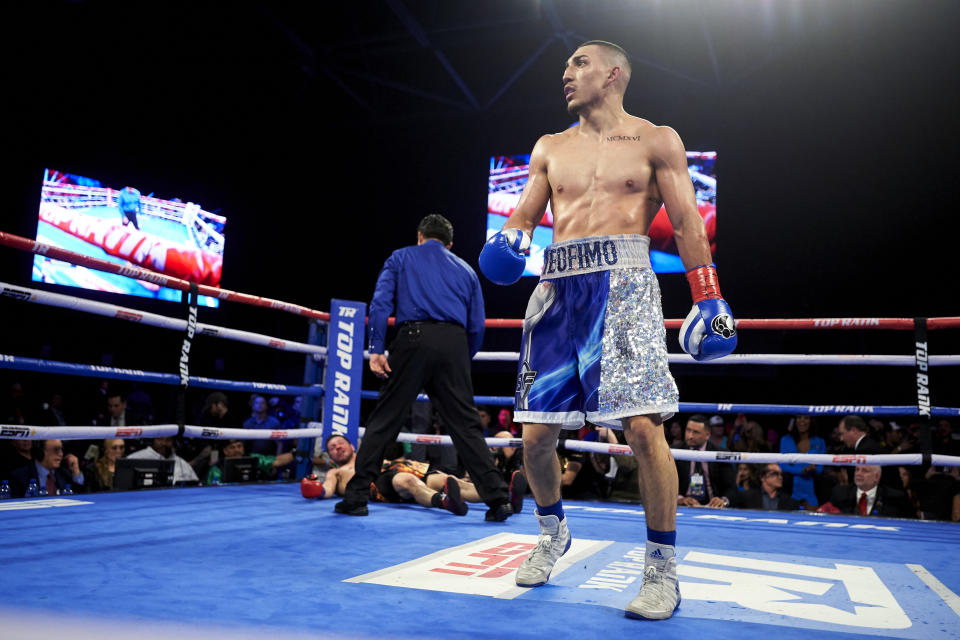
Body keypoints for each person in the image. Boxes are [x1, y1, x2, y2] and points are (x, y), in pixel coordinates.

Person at [477, 40, 737, 620]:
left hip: (624, 284)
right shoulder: (549, 147)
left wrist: (708, 296)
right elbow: (523, 216)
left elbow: (690, 223)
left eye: (578, 63)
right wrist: (511, 239)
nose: (565, 74)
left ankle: (661, 571)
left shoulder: (656, 139)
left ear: (614, 73)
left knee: (643, 428)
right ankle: (551, 533)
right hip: (556, 286)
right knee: (536, 437)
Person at [334, 214, 511, 520]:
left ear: (419, 236)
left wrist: (376, 348)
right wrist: (460, 357)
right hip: (454, 344)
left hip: (413, 339)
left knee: (386, 419)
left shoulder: (401, 257)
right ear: (450, 244)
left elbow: (380, 304)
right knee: (466, 426)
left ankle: (357, 496)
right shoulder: (466, 270)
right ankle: (498, 499)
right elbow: (477, 326)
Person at [317, 435, 499, 516]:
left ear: (352, 446)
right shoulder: (336, 472)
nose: (337, 448)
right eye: (332, 448)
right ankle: (444, 501)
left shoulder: (372, 455)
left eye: (340, 443)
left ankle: (499, 499)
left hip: (402, 468)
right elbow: (326, 490)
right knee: (406, 480)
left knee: (448, 480)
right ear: (330, 456)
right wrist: (313, 488)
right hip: (379, 482)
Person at [676, 415, 736, 508]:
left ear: (707, 435)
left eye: (696, 432)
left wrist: (722, 500)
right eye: (688, 430)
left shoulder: (719, 453)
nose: (690, 436)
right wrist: (679, 499)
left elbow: (731, 488)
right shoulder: (676, 451)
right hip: (684, 506)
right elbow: (665, 484)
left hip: (712, 507)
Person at [821, 465, 913, 518]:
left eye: (864, 471)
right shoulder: (840, 493)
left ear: (877, 477)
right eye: (857, 470)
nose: (858, 473)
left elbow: (911, 523)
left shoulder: (895, 497)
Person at [9, 439, 86, 497]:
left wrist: (76, 471)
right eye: (56, 450)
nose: (61, 454)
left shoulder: (64, 473)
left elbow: (81, 497)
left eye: (61, 450)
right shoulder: (19, 476)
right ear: (40, 452)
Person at [779, 415, 826, 508]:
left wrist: (812, 469)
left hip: (812, 488)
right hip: (790, 488)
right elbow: (783, 466)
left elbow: (820, 468)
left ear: (811, 420)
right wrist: (801, 470)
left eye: (806, 418)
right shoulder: (785, 440)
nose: (802, 421)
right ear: (794, 420)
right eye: (799, 417)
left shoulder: (819, 442)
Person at [206, 439, 298, 485]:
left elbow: (277, 460)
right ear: (225, 451)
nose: (237, 450)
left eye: (239, 446)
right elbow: (213, 488)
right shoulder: (217, 468)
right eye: (232, 447)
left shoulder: (253, 459)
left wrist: (298, 454)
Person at [126, 437, 199, 485]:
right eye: (160, 439)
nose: (164, 443)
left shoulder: (182, 463)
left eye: (168, 440)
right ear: (153, 440)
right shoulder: (135, 458)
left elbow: (196, 485)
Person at [730, 464, 802, 511]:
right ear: (763, 477)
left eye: (781, 474)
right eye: (775, 474)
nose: (780, 477)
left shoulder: (790, 501)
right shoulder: (747, 496)